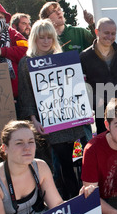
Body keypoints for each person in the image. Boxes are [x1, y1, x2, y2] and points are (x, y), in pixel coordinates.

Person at [18, 19, 85, 200]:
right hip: (44, 121)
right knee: (54, 164)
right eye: (41, 38)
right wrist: (33, 120)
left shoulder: (62, 60)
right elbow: (25, 94)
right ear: (34, 39)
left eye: (49, 37)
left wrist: (79, 82)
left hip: (66, 121)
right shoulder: (26, 62)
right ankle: (60, 199)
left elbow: (72, 90)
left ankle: (71, 198)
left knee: (66, 162)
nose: (46, 41)